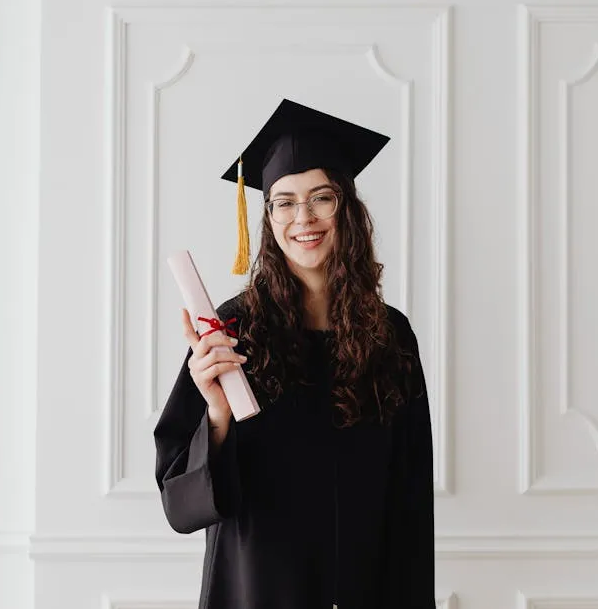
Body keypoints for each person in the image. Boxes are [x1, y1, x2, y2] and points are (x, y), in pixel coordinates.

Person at [153, 99, 435, 609]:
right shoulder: (233, 328)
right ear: (267, 215)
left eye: (321, 197)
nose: (302, 218)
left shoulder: (391, 334)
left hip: (367, 588)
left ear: (346, 206)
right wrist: (216, 412)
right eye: (284, 201)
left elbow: (410, 496)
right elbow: (182, 507)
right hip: (257, 589)